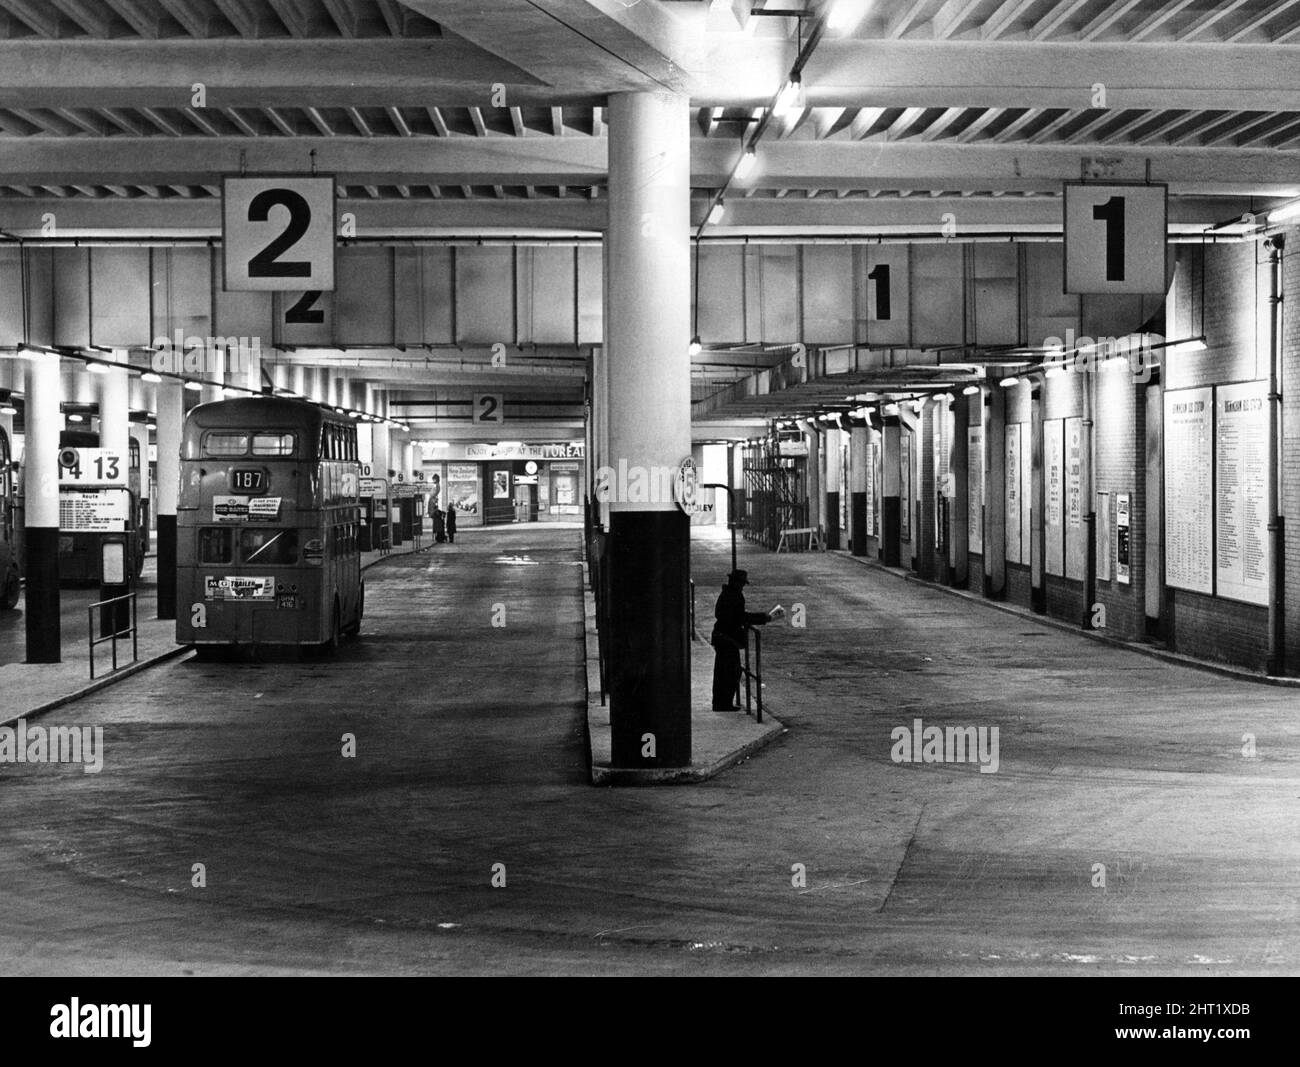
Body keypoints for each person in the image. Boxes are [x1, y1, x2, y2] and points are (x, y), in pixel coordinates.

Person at [710, 569, 777, 711]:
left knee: (724, 672)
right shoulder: (735, 596)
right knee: (730, 672)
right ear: (738, 583)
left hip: (722, 637)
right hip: (727, 639)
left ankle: (720, 703)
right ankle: (723, 704)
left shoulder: (726, 593)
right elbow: (740, 616)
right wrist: (764, 618)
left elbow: (728, 614)